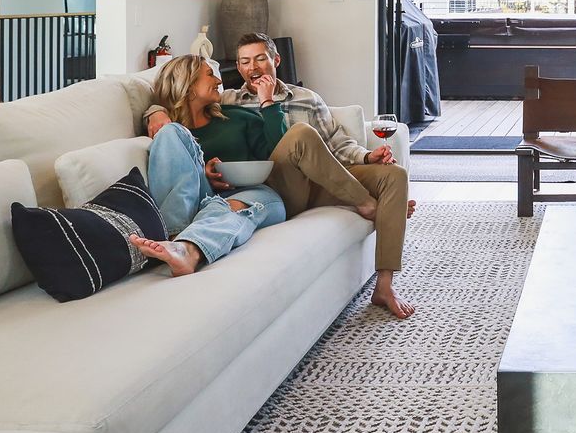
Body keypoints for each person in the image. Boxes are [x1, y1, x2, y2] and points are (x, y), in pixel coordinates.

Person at [145, 35, 418, 319]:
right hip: (276, 186)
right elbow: (169, 104)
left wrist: (366, 156)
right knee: (300, 134)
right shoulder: (227, 100)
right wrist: (155, 112)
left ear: (276, 60)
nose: (252, 67)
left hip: (320, 178)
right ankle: (369, 204)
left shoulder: (305, 98)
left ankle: (384, 286)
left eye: (260, 59)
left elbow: (337, 143)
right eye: (245, 62)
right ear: (238, 68)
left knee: (393, 175)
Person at [130, 54, 288, 277]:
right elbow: (170, 166)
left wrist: (268, 104)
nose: (219, 80)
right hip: (199, 199)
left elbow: (280, 153)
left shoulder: (238, 117)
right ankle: (175, 237)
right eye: (210, 74)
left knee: (222, 208)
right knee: (170, 131)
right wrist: (201, 172)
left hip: (252, 194)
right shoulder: (167, 129)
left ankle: (186, 247)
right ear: (188, 84)